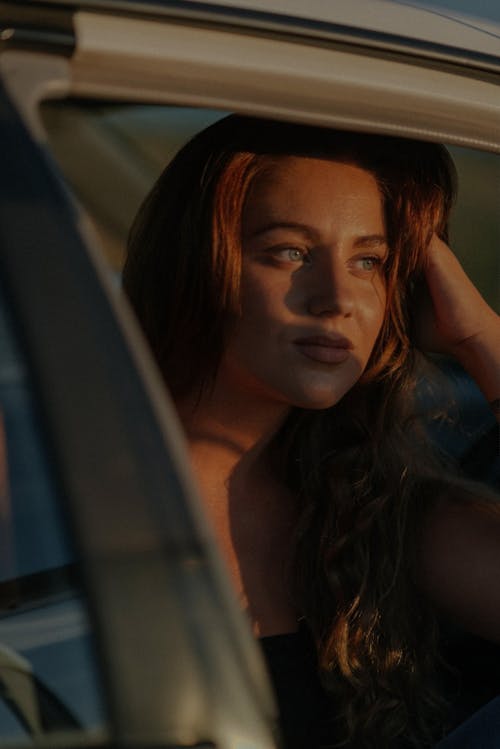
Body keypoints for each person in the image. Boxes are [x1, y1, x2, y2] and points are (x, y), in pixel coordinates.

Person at [122, 115, 500, 748]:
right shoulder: (53, 468)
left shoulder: (385, 516)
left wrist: (482, 337)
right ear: (195, 262)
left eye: (370, 261)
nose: (336, 298)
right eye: (289, 251)